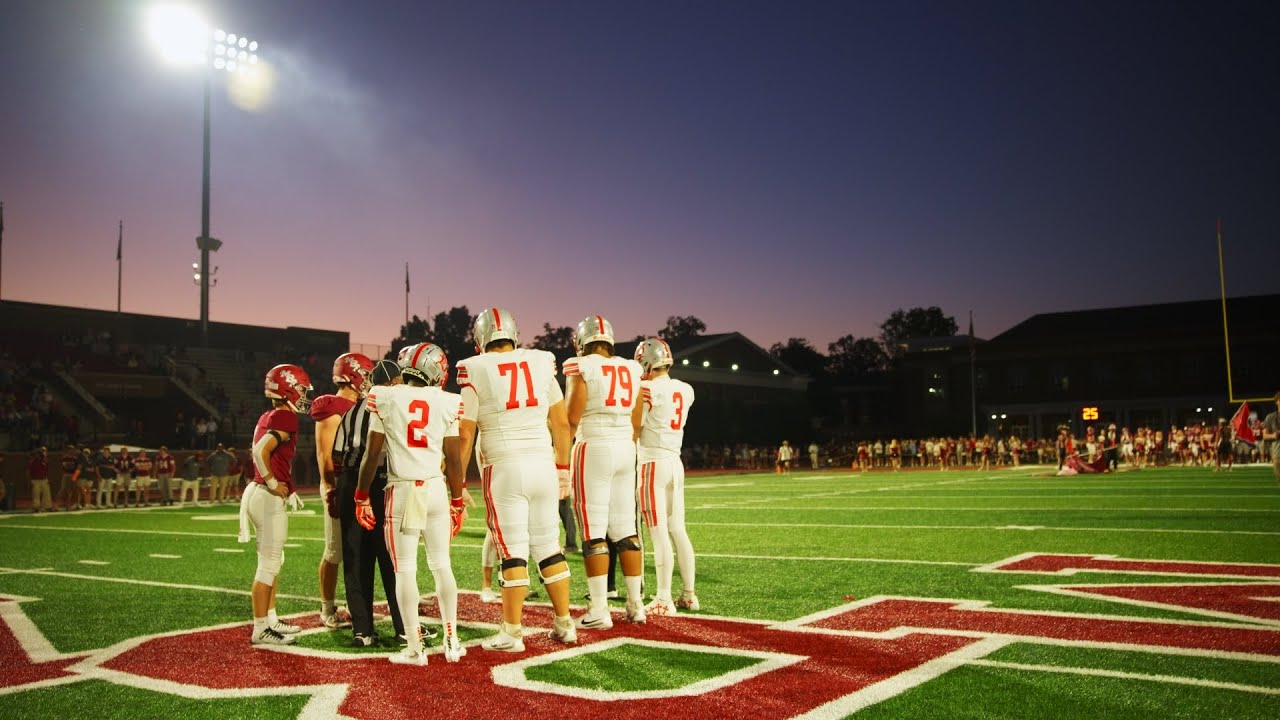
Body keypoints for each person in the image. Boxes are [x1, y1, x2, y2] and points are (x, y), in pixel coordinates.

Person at [454, 308, 576, 653]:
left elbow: (466, 433)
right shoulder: (541, 362)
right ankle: (565, 623)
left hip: (505, 467)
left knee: (512, 552)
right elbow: (562, 423)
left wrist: (457, 482)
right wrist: (563, 468)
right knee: (548, 546)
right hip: (543, 464)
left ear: (480, 339)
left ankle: (511, 632)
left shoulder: (475, 368)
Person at [356, 342, 467, 665]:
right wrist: (457, 501)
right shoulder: (447, 401)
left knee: (405, 570)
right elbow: (454, 461)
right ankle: (452, 641)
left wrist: (361, 496)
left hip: (403, 489)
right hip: (435, 489)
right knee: (442, 565)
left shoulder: (385, 397)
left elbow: (371, 455)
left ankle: (415, 648)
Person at [563, 315, 646, 629]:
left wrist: (560, 457)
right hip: (626, 447)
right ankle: (635, 604)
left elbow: (572, 418)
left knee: (593, 530)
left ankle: (599, 608)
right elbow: (636, 422)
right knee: (625, 528)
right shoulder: (631, 368)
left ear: (582, 342)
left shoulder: (581, 366)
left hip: (594, 446)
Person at [333, 358, 414, 647]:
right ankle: (404, 627)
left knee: (356, 559)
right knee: (393, 557)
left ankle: (363, 630)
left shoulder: (351, 412)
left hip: (350, 483)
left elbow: (338, 454)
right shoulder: (393, 408)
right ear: (393, 383)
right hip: (381, 482)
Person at [238, 364, 311, 646]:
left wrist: (287, 487)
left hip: (260, 495)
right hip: (265, 497)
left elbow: (272, 456)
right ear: (288, 389)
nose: (303, 395)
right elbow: (259, 452)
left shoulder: (269, 415)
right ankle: (260, 628)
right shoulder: (285, 417)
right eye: (300, 389)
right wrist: (272, 482)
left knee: (273, 560)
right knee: (268, 564)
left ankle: (270, 618)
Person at [634, 338, 699, 615]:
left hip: (652, 463)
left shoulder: (646, 389)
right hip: (675, 461)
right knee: (678, 529)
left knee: (658, 532)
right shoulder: (685, 389)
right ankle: (688, 595)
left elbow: (635, 427)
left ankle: (663, 598)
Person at [311, 352, 374, 630]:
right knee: (335, 549)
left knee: (356, 548)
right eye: (366, 375)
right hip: (338, 484)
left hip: (357, 483)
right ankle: (327, 608)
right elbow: (325, 456)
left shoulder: (358, 406)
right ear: (353, 375)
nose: (368, 381)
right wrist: (331, 489)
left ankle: (353, 603)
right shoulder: (333, 407)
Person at [1263, 392, 1280, 484]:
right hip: (1277, 450)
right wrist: (1273, 435)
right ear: (1277, 402)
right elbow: (1264, 435)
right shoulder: (1270, 417)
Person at [27, 447, 52, 513]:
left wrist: (47, 478)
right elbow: (28, 471)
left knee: (46, 493)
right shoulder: (32, 461)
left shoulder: (44, 460)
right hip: (35, 480)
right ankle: (36, 507)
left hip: (44, 479)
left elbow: (46, 470)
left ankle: (46, 507)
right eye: (38, 453)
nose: (39, 455)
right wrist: (29, 481)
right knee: (36, 494)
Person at [58, 445, 79, 510]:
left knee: (73, 490)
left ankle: (71, 504)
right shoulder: (64, 458)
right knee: (64, 490)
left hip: (73, 475)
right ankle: (64, 504)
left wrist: (75, 477)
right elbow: (62, 468)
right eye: (70, 450)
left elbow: (77, 468)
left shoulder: (75, 459)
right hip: (66, 475)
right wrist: (63, 475)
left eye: (72, 450)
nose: (71, 451)